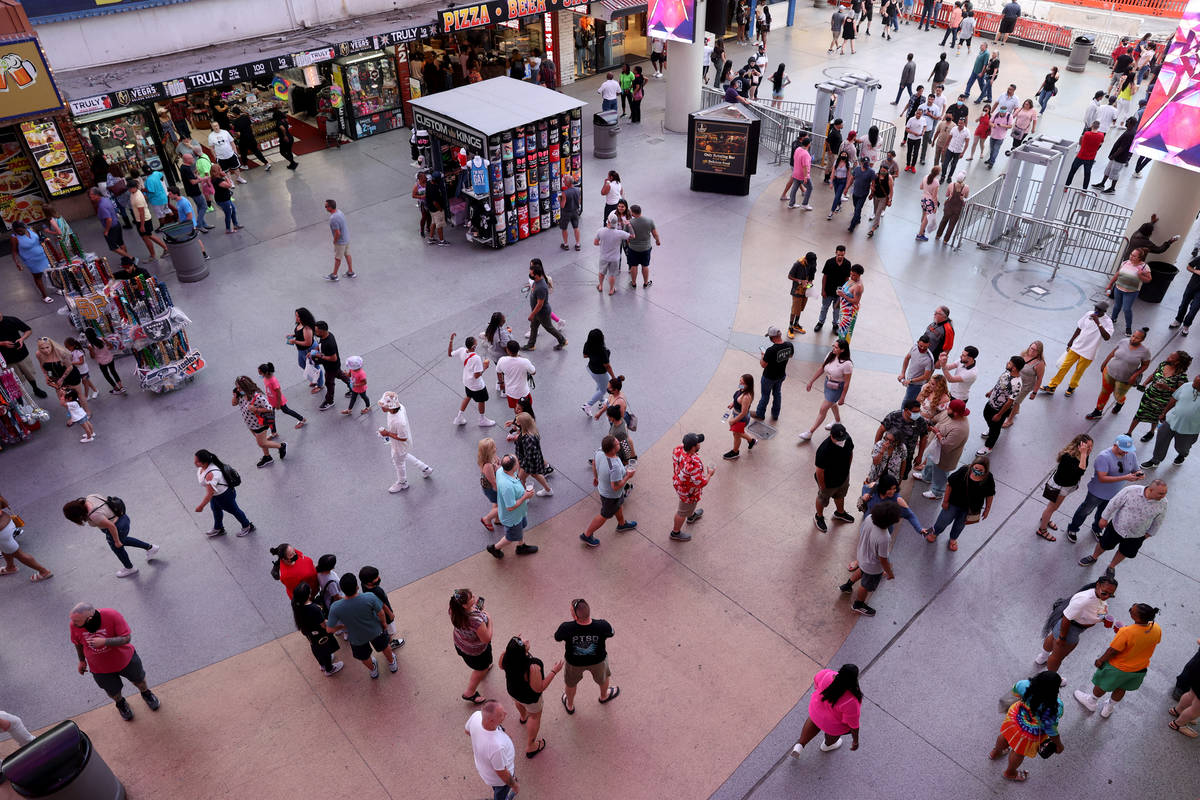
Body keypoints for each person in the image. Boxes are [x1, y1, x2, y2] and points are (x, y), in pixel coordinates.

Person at [69, 603, 160, 721]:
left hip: (126, 660)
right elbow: (78, 643)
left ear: (89, 619)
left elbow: (126, 638)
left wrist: (104, 641)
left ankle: (146, 693)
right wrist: (81, 661)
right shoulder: (74, 625)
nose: (73, 624)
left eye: (76, 621)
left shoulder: (111, 615)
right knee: (113, 691)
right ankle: (121, 703)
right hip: (100, 668)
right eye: (73, 621)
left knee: (139, 680)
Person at [1074, 603, 1161, 718]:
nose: (1130, 609)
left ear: (1137, 618)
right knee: (1121, 687)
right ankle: (1109, 708)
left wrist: (1100, 660)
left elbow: (1112, 651)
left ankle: (1091, 701)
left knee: (1102, 684)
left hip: (1118, 668)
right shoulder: (1156, 628)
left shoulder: (1126, 632)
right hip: (1139, 669)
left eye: (1132, 610)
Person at [1077, 480, 1168, 574]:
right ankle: (1094, 557)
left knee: (1124, 552)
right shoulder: (1131, 491)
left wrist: (1149, 534)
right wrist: (1104, 518)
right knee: (1103, 544)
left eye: (1165, 493)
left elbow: (1159, 520)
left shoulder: (1163, 502)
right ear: (1151, 489)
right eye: (1161, 493)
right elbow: (1114, 503)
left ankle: (1111, 567)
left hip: (1137, 535)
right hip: (1116, 527)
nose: (1163, 496)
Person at [991, 671, 1064, 783]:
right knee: (1018, 751)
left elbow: (1015, 693)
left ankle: (996, 752)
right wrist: (1059, 745)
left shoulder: (1024, 684)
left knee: (1005, 736)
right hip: (1029, 732)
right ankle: (1010, 773)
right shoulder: (1054, 707)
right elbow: (1051, 729)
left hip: (1014, 719)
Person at [62, 495, 159, 578]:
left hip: (117, 527)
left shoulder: (94, 515)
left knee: (118, 547)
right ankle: (150, 548)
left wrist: (116, 541)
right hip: (123, 518)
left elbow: (111, 526)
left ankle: (130, 568)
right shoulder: (91, 497)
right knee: (123, 540)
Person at [500, 635, 563, 760]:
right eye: (523, 643)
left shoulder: (507, 656)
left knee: (519, 703)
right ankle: (531, 746)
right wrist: (554, 671)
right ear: (522, 652)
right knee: (534, 717)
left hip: (513, 691)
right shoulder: (533, 666)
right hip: (530, 698)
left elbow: (501, 666)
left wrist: (513, 646)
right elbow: (538, 688)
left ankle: (523, 717)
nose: (526, 640)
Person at [1037, 576, 1118, 672]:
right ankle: (1051, 678)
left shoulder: (1098, 596)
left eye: (1111, 595)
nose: (1107, 597)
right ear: (1097, 585)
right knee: (1057, 657)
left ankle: (1042, 657)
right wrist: (1062, 638)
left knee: (1052, 638)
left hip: (1065, 627)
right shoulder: (1084, 600)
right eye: (1105, 593)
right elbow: (1066, 618)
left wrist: (1102, 619)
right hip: (1069, 630)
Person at [325, 572, 398, 679]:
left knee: (364, 656)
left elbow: (329, 629)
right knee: (384, 646)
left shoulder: (335, 607)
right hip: (376, 630)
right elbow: (381, 613)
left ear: (342, 590)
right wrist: (383, 624)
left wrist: (343, 627)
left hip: (356, 637)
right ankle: (392, 663)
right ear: (357, 586)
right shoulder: (369, 597)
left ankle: (373, 670)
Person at [839, 501, 903, 616]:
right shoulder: (884, 537)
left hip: (862, 555)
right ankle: (858, 605)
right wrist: (889, 573)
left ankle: (847, 585)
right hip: (873, 567)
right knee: (865, 585)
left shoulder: (869, 518)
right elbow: (883, 559)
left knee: (862, 570)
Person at [555, 598, 618, 711]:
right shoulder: (602, 625)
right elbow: (612, 632)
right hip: (598, 661)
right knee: (603, 679)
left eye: (571, 611)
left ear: (575, 616)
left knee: (571, 684)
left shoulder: (566, 627)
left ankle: (570, 706)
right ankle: (604, 696)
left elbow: (557, 637)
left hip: (574, 663)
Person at [789, 664, 862, 756]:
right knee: (832, 732)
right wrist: (855, 741)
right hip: (833, 724)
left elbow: (816, 683)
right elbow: (853, 724)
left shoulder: (826, 675)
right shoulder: (852, 700)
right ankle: (827, 746)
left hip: (816, 711)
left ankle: (800, 745)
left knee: (815, 720)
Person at [926, 455, 995, 551]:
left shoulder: (989, 478)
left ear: (986, 470)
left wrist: (987, 509)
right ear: (972, 466)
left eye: (980, 470)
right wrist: (945, 501)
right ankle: (935, 532)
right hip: (953, 503)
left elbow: (990, 494)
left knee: (959, 525)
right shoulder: (964, 471)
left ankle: (953, 539)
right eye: (975, 468)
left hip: (969, 509)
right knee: (943, 520)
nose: (977, 471)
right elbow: (950, 484)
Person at [1042, 304, 1113, 397]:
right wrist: (1071, 341)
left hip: (1090, 351)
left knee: (1079, 371)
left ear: (1104, 312)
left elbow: (1107, 337)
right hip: (1077, 346)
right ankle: (1052, 386)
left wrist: (1098, 323)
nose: (1096, 311)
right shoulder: (1089, 314)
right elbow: (1079, 328)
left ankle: (1072, 386)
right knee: (1064, 366)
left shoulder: (1108, 322)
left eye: (1099, 310)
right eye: (1096, 308)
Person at [579, 435, 637, 547]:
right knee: (604, 515)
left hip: (607, 491)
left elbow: (595, 464)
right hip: (610, 495)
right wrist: (628, 476)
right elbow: (615, 487)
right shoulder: (614, 466)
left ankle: (622, 524)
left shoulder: (600, 452)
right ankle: (587, 535)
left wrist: (596, 477)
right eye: (617, 444)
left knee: (619, 505)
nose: (619, 443)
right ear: (612, 449)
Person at [1037, 434, 1093, 542]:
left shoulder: (1083, 455)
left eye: (1091, 447)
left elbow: (1081, 470)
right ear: (1080, 446)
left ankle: (1045, 519)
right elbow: (1081, 471)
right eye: (1087, 447)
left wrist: (1084, 454)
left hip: (1067, 485)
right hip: (1060, 487)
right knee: (1052, 508)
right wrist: (1084, 454)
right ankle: (1042, 529)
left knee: (1051, 507)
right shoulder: (1069, 457)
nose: (1089, 449)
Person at [1127, 351, 1191, 443]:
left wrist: (1167, 388)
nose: (1168, 356)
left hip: (1162, 402)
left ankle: (1151, 432)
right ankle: (1129, 433)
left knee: (1155, 417)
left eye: (1172, 357)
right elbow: (1153, 375)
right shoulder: (1163, 364)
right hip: (1149, 395)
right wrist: (1145, 383)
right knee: (1139, 413)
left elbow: (1180, 393)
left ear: (1177, 362)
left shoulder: (1181, 376)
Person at [376, 391, 434, 492]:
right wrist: (388, 433)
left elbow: (403, 437)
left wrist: (387, 434)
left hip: (399, 445)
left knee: (398, 463)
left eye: (383, 405)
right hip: (398, 444)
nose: (381, 407)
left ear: (390, 407)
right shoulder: (399, 408)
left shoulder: (399, 421)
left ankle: (403, 483)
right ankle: (425, 469)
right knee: (403, 456)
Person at [1087, 328, 1150, 419]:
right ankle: (1098, 411)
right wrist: (1105, 363)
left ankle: (1121, 402)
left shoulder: (1145, 352)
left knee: (1118, 395)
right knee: (1105, 392)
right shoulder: (1123, 341)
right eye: (1133, 336)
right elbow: (1113, 353)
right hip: (1109, 372)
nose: (1133, 339)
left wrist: (1135, 375)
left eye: (1137, 338)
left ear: (1142, 340)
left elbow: (1145, 365)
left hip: (1125, 378)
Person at [800, 339, 853, 441]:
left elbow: (847, 383)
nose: (833, 348)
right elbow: (822, 368)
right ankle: (837, 421)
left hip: (837, 388)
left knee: (823, 409)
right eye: (834, 346)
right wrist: (811, 381)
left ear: (842, 350)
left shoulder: (847, 364)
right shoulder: (830, 355)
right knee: (832, 404)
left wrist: (842, 397)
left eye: (836, 347)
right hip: (828, 384)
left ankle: (810, 432)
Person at [486, 454, 538, 558]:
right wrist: (525, 496)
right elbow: (510, 507)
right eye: (517, 461)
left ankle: (521, 546)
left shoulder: (501, 471)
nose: (519, 461)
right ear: (514, 466)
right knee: (510, 537)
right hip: (512, 517)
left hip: (519, 513)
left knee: (520, 529)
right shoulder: (507, 487)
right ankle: (494, 548)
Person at [1143, 374, 1200, 467]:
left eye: (1196, 384)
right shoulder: (1187, 386)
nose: (1192, 384)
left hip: (1189, 429)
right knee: (1161, 439)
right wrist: (1164, 413)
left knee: (1181, 447)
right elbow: (1174, 399)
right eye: (1194, 381)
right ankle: (1155, 460)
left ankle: (1182, 454)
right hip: (1171, 420)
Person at [917, 398, 969, 500]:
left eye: (949, 409)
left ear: (957, 413)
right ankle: (926, 477)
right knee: (930, 462)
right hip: (936, 448)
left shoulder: (960, 429)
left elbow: (946, 445)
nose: (947, 409)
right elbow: (936, 419)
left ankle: (937, 492)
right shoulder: (948, 413)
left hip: (946, 455)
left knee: (941, 472)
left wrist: (937, 433)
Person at [194, 449, 254, 538]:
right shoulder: (203, 467)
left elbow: (209, 493)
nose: (195, 463)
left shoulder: (211, 474)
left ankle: (247, 526)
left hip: (224, 496)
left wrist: (201, 506)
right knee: (216, 509)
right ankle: (218, 528)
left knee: (235, 510)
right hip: (217, 495)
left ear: (204, 462)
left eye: (197, 461)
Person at [466, 701, 519, 800]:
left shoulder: (477, 716)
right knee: (500, 793)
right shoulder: (496, 746)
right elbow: (502, 773)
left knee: (497, 789)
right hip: (500, 780)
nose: (506, 713)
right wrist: (514, 786)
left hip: (486, 769)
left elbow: (467, 731)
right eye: (501, 715)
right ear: (491, 721)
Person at [448, 588, 493, 705]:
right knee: (480, 669)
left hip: (461, 644)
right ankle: (470, 692)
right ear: (464, 605)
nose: (474, 596)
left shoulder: (453, 610)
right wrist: (490, 619)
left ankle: (484, 668)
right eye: (471, 597)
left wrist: (475, 609)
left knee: (483, 666)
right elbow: (487, 638)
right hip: (476, 652)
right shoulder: (476, 621)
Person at [292, 581, 343, 676]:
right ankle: (329, 668)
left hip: (309, 633)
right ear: (308, 595)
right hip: (321, 634)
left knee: (316, 648)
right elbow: (323, 625)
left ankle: (322, 664)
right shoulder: (314, 608)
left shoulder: (295, 604)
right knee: (326, 650)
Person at [670, 432, 714, 542]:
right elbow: (701, 483)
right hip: (687, 491)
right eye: (698, 443)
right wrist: (709, 474)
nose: (700, 444)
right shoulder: (694, 464)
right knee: (681, 512)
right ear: (693, 448)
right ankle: (675, 532)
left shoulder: (678, 449)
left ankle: (691, 515)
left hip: (678, 483)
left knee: (689, 506)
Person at [233, 375, 286, 468]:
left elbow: (269, 408)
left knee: (261, 443)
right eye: (237, 387)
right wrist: (235, 396)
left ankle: (281, 446)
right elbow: (234, 403)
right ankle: (267, 456)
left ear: (245, 387)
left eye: (239, 387)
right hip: (250, 423)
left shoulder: (257, 397)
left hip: (260, 424)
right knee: (262, 441)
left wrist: (256, 409)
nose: (238, 389)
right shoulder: (241, 394)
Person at [976, 355, 1025, 455]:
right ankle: (991, 428)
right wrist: (991, 391)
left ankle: (988, 447)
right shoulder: (1007, 372)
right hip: (991, 402)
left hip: (1000, 409)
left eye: (1010, 363)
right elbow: (999, 383)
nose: (1007, 363)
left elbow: (1009, 402)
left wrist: (999, 414)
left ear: (1014, 368)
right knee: (986, 415)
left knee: (996, 429)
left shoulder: (1017, 384)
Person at [813, 423, 855, 533]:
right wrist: (823, 487)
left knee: (840, 495)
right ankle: (819, 516)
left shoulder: (847, 439)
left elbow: (850, 453)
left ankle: (840, 513)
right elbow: (819, 471)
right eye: (838, 439)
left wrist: (847, 469)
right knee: (822, 499)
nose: (841, 441)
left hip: (843, 477)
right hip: (828, 482)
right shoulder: (824, 450)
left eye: (842, 438)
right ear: (831, 435)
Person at [448, 333, 496, 428]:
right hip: (477, 385)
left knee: (468, 396)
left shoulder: (462, 350)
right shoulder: (476, 358)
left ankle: (459, 417)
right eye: (476, 342)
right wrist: (485, 367)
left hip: (467, 381)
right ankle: (482, 420)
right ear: (474, 346)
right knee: (481, 400)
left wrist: (451, 340)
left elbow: (450, 354)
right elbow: (477, 375)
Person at [0, 493, 51, 582]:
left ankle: (44, 572)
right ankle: (10, 567)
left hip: (2, 532)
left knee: (19, 554)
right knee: (5, 548)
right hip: (8, 522)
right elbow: (5, 504)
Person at [1104, 247, 1152, 336]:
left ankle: (1128, 327)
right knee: (1117, 306)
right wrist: (1110, 284)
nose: (1131, 257)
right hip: (1118, 288)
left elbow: (1148, 280)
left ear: (1139, 258)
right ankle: (1113, 319)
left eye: (1134, 256)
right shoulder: (1125, 262)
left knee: (1126, 309)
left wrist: (1140, 275)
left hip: (1131, 292)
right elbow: (1118, 274)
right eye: (1131, 254)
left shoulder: (1145, 267)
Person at [523, 260, 567, 351]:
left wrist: (532, 314)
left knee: (549, 328)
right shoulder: (536, 281)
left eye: (531, 274)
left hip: (542, 312)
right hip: (537, 312)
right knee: (534, 327)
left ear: (537, 275)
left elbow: (540, 304)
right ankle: (531, 345)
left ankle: (562, 340)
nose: (530, 275)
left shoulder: (541, 287)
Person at [753, 326, 794, 421]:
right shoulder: (789, 345)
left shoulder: (770, 350)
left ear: (772, 337)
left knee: (765, 395)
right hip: (781, 375)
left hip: (769, 377)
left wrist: (763, 356)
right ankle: (775, 414)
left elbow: (763, 365)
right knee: (777, 393)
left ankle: (760, 413)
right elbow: (791, 355)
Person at [8, 222, 55, 303]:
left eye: (21, 230)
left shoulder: (31, 229)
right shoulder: (14, 238)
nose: (19, 233)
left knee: (51, 273)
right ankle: (44, 296)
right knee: (38, 277)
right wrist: (17, 263)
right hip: (31, 261)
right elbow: (14, 251)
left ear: (24, 228)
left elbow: (39, 239)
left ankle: (56, 288)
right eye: (17, 231)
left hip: (43, 256)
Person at [1093, 117, 1136, 194]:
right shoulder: (1128, 131)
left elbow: (1122, 147)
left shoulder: (1130, 134)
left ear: (1132, 123)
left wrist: (1113, 156)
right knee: (1108, 170)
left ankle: (1112, 189)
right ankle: (1102, 184)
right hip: (1115, 156)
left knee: (1114, 173)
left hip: (1119, 157)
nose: (1126, 122)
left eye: (1127, 121)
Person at [815, 246, 850, 332]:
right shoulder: (829, 262)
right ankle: (820, 322)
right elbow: (825, 277)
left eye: (842, 255)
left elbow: (846, 279)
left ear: (844, 253)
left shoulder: (847, 264)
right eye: (838, 255)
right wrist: (823, 290)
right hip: (828, 291)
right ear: (835, 253)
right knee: (824, 308)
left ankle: (835, 324)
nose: (840, 257)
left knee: (837, 310)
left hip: (839, 293)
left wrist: (845, 292)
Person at [723, 373, 758, 460]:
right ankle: (751, 441)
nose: (740, 384)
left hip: (741, 418)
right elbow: (737, 397)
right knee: (738, 433)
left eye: (742, 382)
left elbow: (744, 412)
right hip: (736, 414)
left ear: (748, 385)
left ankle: (735, 452)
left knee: (736, 434)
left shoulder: (746, 397)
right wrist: (733, 403)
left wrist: (734, 420)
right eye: (740, 381)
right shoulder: (742, 388)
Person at [625, 204, 659, 288]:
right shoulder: (649, 221)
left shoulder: (629, 223)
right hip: (646, 248)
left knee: (633, 266)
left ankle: (633, 283)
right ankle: (645, 283)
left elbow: (627, 236)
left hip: (633, 248)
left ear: (632, 213)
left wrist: (628, 244)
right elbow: (655, 234)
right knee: (645, 265)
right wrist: (657, 241)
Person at [1065, 122, 1106, 190]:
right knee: (1087, 174)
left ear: (1092, 126)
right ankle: (1084, 190)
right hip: (1091, 158)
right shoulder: (1101, 135)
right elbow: (1100, 143)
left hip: (1081, 156)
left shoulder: (1087, 134)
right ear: (1098, 127)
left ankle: (1066, 186)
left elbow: (1081, 142)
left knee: (1072, 171)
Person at [898, 334, 934, 406]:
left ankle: (903, 416)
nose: (922, 348)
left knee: (906, 403)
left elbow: (926, 376)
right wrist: (903, 373)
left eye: (925, 347)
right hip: (910, 380)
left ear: (929, 345)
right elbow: (907, 358)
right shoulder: (914, 347)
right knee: (912, 403)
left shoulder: (929, 359)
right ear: (918, 342)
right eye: (920, 346)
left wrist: (911, 380)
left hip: (917, 385)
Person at [787, 253, 817, 337]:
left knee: (800, 308)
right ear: (806, 259)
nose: (811, 265)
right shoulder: (798, 264)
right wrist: (800, 281)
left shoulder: (813, 263)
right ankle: (790, 327)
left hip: (806, 290)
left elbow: (812, 276)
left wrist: (810, 283)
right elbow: (789, 276)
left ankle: (796, 324)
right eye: (809, 263)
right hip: (797, 290)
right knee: (794, 309)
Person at [324, 199, 355, 280]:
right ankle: (351, 272)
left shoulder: (333, 219)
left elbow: (337, 233)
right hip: (346, 238)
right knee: (347, 254)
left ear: (330, 207)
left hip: (340, 242)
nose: (325, 208)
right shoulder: (340, 212)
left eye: (326, 206)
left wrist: (335, 241)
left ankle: (334, 275)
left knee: (338, 258)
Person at [835, 264, 865, 341]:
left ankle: (842, 350)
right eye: (851, 274)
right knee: (841, 330)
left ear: (859, 275)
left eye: (854, 275)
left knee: (845, 333)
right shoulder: (852, 279)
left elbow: (856, 301)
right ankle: (839, 348)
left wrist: (843, 295)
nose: (851, 276)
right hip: (844, 310)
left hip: (849, 313)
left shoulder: (858, 286)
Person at [915, 166, 940, 241]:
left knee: (923, 216)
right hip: (930, 202)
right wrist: (935, 206)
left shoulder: (925, 177)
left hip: (923, 199)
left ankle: (922, 231)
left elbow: (921, 187)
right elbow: (934, 196)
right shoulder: (936, 182)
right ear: (937, 173)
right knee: (926, 219)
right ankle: (920, 234)